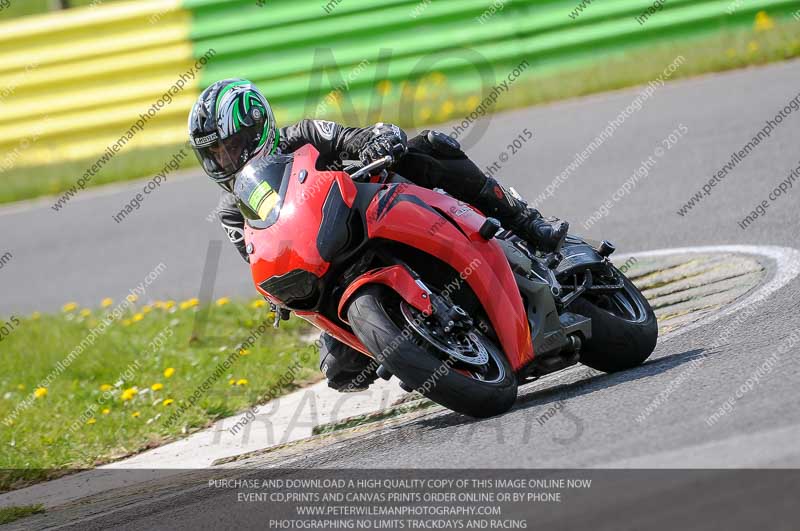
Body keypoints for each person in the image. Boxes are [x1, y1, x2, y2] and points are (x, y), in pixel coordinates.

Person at [188, 78, 569, 392]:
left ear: (258, 129)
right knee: (340, 371)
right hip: (328, 264)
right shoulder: (232, 210)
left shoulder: (302, 137)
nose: (225, 161)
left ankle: (526, 223)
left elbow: (350, 139)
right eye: (216, 155)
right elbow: (260, 253)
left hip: (375, 210)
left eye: (232, 147)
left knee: (428, 150)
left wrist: (376, 141)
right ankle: (419, 346)